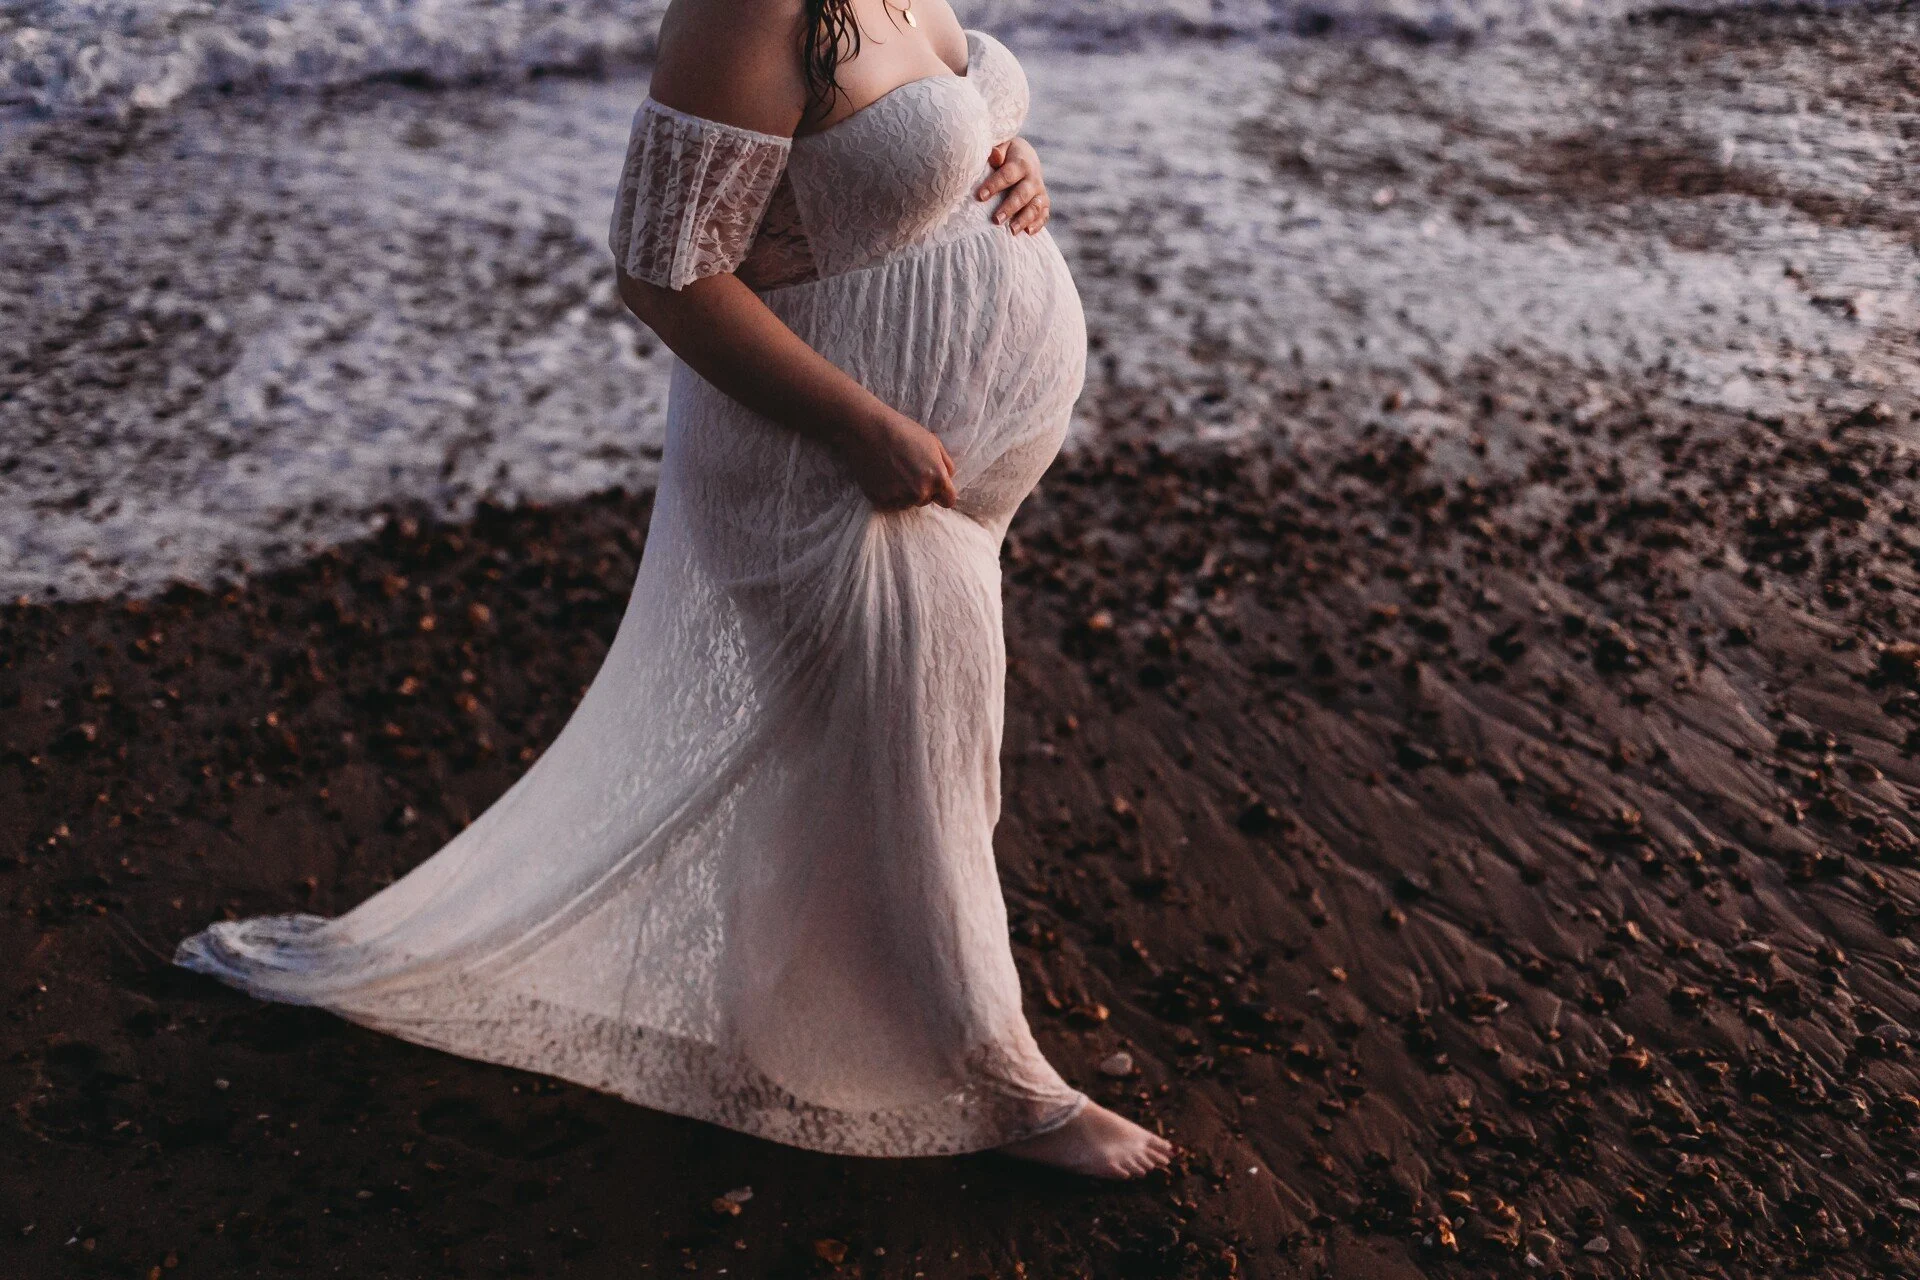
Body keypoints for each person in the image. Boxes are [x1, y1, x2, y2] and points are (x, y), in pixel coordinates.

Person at [176, 0, 1176, 1180]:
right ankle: (1004, 1086)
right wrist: (860, 425)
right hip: (825, 462)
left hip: (940, 460)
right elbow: (664, 270)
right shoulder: (742, 9)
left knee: (877, 748)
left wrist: (1004, 165)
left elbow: (903, 145)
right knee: (906, 751)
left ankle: (807, 1032)